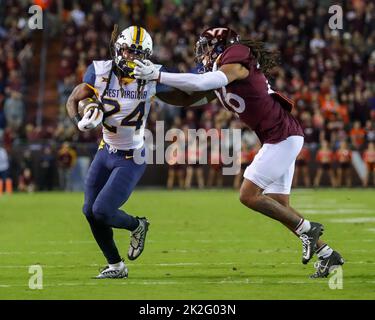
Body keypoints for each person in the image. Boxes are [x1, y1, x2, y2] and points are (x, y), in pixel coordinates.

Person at [134, 27, 344, 278]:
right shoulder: (221, 71)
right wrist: (154, 87)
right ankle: (327, 254)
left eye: (208, 45)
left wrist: (159, 75)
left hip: (282, 137)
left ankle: (308, 229)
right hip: (278, 137)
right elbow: (190, 97)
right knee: (280, 206)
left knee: (248, 195)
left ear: (221, 45)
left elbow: (204, 82)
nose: (204, 51)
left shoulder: (237, 56)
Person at [66, 25, 212, 279]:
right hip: (105, 150)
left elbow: (186, 96)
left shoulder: (152, 75)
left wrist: (213, 90)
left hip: (132, 156)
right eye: (127, 50)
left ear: (146, 56)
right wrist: (80, 118)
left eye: (138, 53)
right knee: (89, 211)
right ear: (117, 48)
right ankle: (116, 266)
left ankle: (138, 225)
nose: (131, 57)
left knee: (102, 211)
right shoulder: (100, 70)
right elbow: (74, 99)